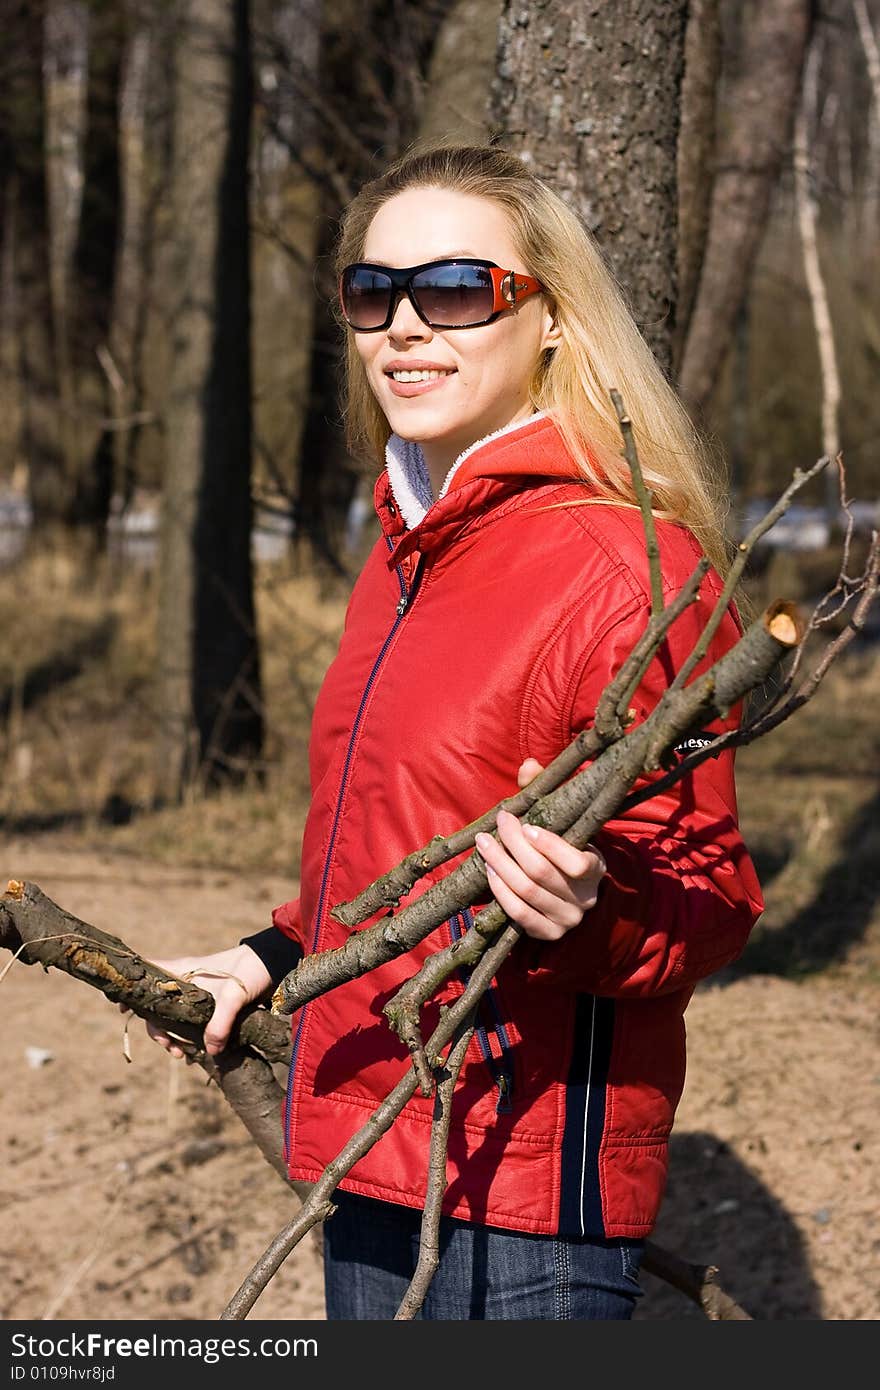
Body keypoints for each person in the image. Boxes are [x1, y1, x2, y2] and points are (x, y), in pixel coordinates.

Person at [142, 143, 764, 1320]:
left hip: (518, 1190)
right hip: (368, 1131)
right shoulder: (403, 552)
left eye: (457, 289)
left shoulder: (628, 567)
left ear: (551, 320)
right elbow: (401, 840)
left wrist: (594, 908)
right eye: (373, 293)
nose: (406, 327)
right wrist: (272, 958)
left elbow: (710, 892)